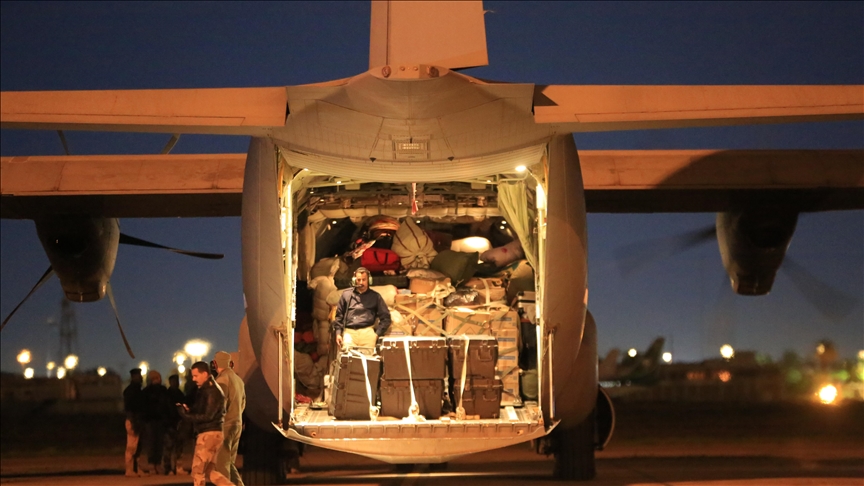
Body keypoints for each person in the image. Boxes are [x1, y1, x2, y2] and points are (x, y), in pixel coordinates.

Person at [177, 361, 234, 486]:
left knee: (198, 472)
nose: (193, 379)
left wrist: (186, 416)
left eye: (196, 376)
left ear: (204, 374)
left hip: (208, 435)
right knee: (209, 471)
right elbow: (205, 411)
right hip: (213, 433)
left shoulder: (210, 391)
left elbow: (208, 416)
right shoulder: (207, 390)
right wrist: (189, 410)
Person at [332, 267, 391, 354]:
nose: (361, 282)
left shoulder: (375, 297)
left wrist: (377, 334)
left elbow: (386, 317)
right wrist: (338, 333)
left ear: (369, 280)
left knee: (368, 360)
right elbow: (339, 316)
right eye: (359, 280)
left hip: (367, 332)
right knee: (347, 358)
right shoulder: (346, 295)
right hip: (349, 332)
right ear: (354, 280)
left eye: (364, 280)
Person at [214, 351, 246, 486]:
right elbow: (243, 403)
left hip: (225, 425)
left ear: (215, 364)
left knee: (221, 465)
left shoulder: (222, 380)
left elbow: (220, 404)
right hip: (237, 424)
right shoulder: (239, 380)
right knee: (229, 463)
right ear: (230, 363)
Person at [141, 370, 171, 475]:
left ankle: (154, 464)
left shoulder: (147, 391)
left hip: (153, 420)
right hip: (155, 420)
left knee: (154, 443)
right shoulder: (161, 390)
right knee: (156, 443)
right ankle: (155, 464)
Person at [163, 374, 188, 475]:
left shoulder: (180, 394)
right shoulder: (167, 395)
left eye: (176, 381)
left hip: (178, 423)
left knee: (179, 446)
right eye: (173, 381)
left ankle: (178, 467)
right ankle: (168, 468)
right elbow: (165, 410)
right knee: (169, 447)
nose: (175, 383)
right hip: (169, 424)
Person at [123, 368, 144, 477]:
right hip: (133, 420)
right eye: (138, 375)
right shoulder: (132, 391)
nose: (140, 377)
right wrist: (133, 420)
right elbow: (130, 408)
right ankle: (129, 470)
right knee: (132, 446)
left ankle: (136, 469)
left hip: (137, 420)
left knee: (137, 446)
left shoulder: (136, 390)